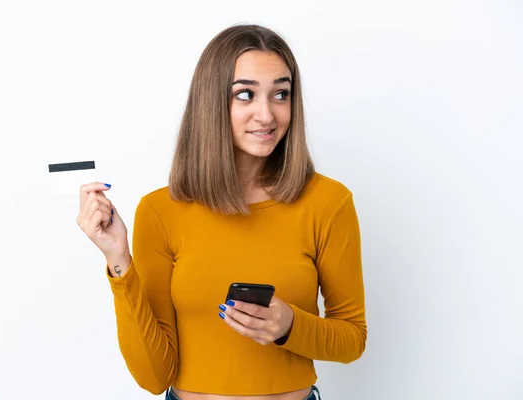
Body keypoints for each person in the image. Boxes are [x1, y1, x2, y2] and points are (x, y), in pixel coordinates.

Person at [77, 24, 367, 400]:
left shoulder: (328, 202)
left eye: (281, 94)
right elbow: (153, 376)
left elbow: (352, 339)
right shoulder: (161, 211)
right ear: (212, 103)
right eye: (245, 95)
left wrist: (289, 325)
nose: (266, 114)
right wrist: (118, 260)